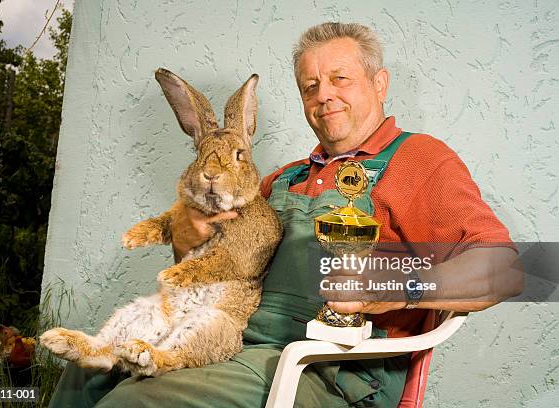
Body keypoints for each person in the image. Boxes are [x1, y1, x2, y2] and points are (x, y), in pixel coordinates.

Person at [49, 22, 521, 408]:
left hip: (332, 370)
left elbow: (503, 270)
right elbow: (225, 267)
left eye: (340, 78)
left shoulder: (419, 159)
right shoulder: (281, 179)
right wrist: (186, 237)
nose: (324, 95)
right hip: (238, 342)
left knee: (137, 402)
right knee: (84, 372)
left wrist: (396, 285)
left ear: (379, 84)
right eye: (310, 85)